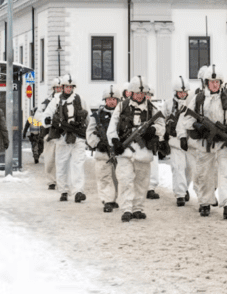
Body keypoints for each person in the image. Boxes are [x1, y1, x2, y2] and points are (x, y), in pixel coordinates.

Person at [181, 64, 227, 219]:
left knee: (226, 173)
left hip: (224, 143)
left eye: (218, 82)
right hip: (204, 144)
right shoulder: (199, 99)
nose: (215, 85)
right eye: (212, 82)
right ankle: (205, 203)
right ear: (206, 82)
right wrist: (196, 126)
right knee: (204, 173)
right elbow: (186, 118)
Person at [107, 76, 165, 222]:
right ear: (131, 93)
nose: (140, 96)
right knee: (125, 180)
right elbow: (112, 126)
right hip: (125, 151)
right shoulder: (122, 106)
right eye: (137, 93)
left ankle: (137, 208)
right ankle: (126, 209)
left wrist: (153, 130)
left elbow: (161, 125)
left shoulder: (152, 109)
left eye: (142, 93)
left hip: (143, 151)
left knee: (142, 182)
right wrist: (115, 141)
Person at [43, 74, 88, 203]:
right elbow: (46, 115)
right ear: (62, 87)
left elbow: (88, 116)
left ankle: (78, 191)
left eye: (71, 86)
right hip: (62, 136)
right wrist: (47, 120)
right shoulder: (56, 100)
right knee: (61, 164)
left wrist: (89, 134)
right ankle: (63, 190)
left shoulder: (80, 99)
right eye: (67, 86)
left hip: (77, 136)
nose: (69, 89)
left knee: (78, 164)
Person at [86, 85, 121, 213]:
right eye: (109, 99)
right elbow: (89, 133)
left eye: (114, 99)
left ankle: (116, 198)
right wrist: (96, 143)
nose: (111, 101)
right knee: (104, 176)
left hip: (119, 151)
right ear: (105, 100)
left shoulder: (122, 114)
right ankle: (108, 200)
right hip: (102, 153)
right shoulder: (97, 116)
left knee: (119, 177)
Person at [165, 75, 197, 207]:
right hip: (175, 142)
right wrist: (163, 136)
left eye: (184, 92)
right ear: (175, 92)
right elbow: (161, 120)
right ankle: (180, 194)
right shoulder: (168, 104)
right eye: (180, 92)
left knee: (190, 169)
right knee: (178, 167)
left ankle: (184, 188)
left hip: (190, 142)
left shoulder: (192, 103)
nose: (182, 94)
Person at [34, 78, 64, 189]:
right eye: (57, 88)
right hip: (49, 134)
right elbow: (37, 115)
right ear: (54, 89)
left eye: (61, 88)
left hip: (63, 135)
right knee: (50, 159)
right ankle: (51, 181)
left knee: (62, 159)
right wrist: (46, 120)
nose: (59, 89)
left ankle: (62, 181)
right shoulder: (46, 102)